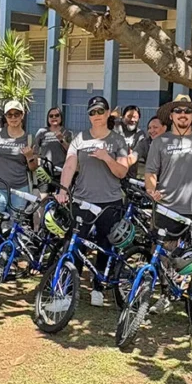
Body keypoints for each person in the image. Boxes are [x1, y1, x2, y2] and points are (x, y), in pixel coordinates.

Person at [55, 96, 130, 307]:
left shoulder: (117, 140)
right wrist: (63, 189)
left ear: (107, 114)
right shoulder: (80, 138)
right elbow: (70, 166)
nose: (96, 116)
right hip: (82, 200)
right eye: (92, 112)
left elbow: (122, 172)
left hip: (110, 201)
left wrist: (107, 157)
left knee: (105, 246)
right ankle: (68, 292)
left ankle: (98, 287)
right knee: (74, 245)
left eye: (100, 112)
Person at [145, 94, 192, 229]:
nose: (183, 114)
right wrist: (151, 191)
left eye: (188, 111)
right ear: (171, 116)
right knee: (164, 249)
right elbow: (151, 171)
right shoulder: (159, 142)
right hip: (166, 208)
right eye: (178, 111)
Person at [34, 106, 73, 172]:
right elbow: (35, 152)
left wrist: (62, 140)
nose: (54, 117)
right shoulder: (42, 132)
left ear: (61, 117)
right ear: (48, 118)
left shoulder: (67, 132)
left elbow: (72, 152)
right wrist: (38, 167)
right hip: (45, 171)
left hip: (62, 171)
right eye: (51, 116)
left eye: (57, 115)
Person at [115, 105, 149, 179]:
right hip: (111, 174)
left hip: (129, 177)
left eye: (135, 117)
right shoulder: (115, 128)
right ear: (123, 117)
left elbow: (146, 156)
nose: (132, 119)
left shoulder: (140, 134)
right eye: (129, 116)